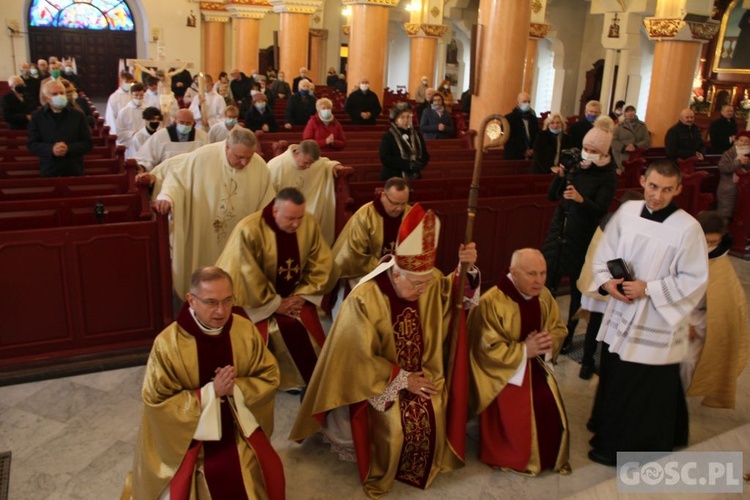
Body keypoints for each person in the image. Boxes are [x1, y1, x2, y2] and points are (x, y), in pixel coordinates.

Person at [289, 204, 478, 498]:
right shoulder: (365, 298)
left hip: (421, 368)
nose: (422, 290)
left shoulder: (425, 282)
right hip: (374, 382)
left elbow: (450, 296)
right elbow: (354, 358)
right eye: (416, 284)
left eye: (426, 282)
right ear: (396, 273)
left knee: (434, 406)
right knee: (396, 425)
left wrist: (463, 269)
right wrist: (401, 378)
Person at [125, 266, 284, 500]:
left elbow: (269, 376)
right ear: (191, 300)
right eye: (211, 302)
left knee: (254, 469)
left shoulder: (244, 331)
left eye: (228, 300)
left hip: (237, 428)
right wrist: (210, 393)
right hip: (187, 437)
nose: (221, 310)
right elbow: (155, 401)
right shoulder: (168, 344)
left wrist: (236, 388)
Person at [588, 160, 709, 466]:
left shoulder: (688, 228)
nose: (658, 195)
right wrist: (608, 282)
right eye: (653, 186)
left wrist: (649, 289)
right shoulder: (627, 213)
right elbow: (605, 253)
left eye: (667, 189)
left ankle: (630, 448)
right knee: (615, 376)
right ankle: (608, 432)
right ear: (642, 181)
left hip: (655, 320)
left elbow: (694, 279)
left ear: (678, 189)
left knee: (643, 388)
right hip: (622, 311)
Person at [215, 188, 333, 391]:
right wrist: (275, 304)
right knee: (282, 326)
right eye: (290, 218)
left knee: (302, 322)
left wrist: (303, 294)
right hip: (257, 303)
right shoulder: (249, 229)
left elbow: (321, 261)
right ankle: (274, 378)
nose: (296, 224)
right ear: (275, 211)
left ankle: (307, 377)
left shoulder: (309, 223)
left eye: (299, 218)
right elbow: (246, 275)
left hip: (295, 296)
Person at [467, 248, 570, 475]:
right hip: (502, 373)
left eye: (543, 273)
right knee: (526, 411)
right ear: (513, 272)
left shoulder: (543, 296)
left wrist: (547, 342)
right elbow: (483, 350)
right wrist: (524, 350)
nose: (539, 281)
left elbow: (559, 328)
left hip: (536, 366)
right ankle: (512, 455)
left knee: (547, 405)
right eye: (532, 274)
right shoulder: (490, 302)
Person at [149, 127, 275, 298]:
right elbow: (177, 180)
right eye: (239, 157)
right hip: (203, 233)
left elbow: (267, 203)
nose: (245, 163)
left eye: (249, 157)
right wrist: (167, 197)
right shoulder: (202, 157)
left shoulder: (259, 166)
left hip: (236, 237)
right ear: (227, 148)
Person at [541, 116, 618, 353]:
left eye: (593, 150)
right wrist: (561, 175)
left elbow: (600, 209)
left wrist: (581, 199)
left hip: (581, 236)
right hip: (559, 232)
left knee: (576, 290)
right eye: (585, 148)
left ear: (603, 153)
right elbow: (552, 196)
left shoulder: (608, 176)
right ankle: (544, 328)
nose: (587, 153)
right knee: (546, 285)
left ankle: (568, 334)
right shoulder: (576, 166)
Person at [681, 211, 749, 408]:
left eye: (714, 241)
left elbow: (725, 307)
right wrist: (682, 321)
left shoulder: (721, 264)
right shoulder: (682, 252)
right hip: (677, 315)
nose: (709, 246)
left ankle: (677, 401)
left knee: (686, 362)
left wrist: (694, 325)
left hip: (700, 319)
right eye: (705, 241)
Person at [575, 190, 644, 380]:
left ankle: (598, 364)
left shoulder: (621, 222)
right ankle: (589, 362)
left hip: (610, 285)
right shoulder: (611, 225)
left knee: (606, 326)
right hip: (606, 285)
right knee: (598, 325)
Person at [330, 177, 412, 314]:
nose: (399, 208)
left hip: (401, 274)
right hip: (368, 273)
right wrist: (386, 268)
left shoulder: (410, 214)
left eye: (403, 203)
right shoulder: (365, 215)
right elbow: (355, 254)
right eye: (395, 203)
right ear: (384, 196)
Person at [267, 140, 344, 246]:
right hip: (284, 216)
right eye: (306, 162)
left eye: (311, 163)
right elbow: (269, 198)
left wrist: (334, 166)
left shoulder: (311, 162)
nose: (309, 166)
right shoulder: (276, 166)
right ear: (297, 153)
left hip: (308, 214)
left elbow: (324, 163)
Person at [28, 80, 92, 177]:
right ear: (46, 98)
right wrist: (51, 149)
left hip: (74, 168)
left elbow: (88, 143)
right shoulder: (37, 116)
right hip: (49, 168)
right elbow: (32, 144)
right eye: (55, 94)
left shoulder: (78, 115)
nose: (60, 96)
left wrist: (68, 148)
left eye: (62, 93)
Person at [135, 109, 209, 171]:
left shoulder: (202, 137)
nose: (184, 125)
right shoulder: (161, 136)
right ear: (175, 120)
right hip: (167, 179)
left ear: (193, 122)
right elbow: (147, 159)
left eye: (188, 123)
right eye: (181, 122)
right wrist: (143, 167)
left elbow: (207, 159)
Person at [379, 102, 430, 180]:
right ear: (395, 120)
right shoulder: (388, 136)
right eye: (402, 117)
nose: (406, 120)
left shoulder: (417, 135)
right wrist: (407, 165)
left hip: (414, 175)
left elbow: (425, 154)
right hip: (394, 176)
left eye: (408, 117)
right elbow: (386, 158)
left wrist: (419, 164)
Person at [716, 131, 750, 218]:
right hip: (729, 188)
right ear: (736, 141)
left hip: (745, 190)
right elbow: (723, 168)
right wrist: (738, 162)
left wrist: (747, 163)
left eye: (746, 141)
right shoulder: (729, 153)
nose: (743, 143)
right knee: (725, 215)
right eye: (741, 140)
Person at [611, 104, 650, 172]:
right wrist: (624, 147)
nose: (630, 113)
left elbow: (646, 140)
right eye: (627, 111)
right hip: (623, 156)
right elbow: (614, 140)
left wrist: (635, 146)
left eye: (632, 110)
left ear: (635, 112)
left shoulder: (642, 125)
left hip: (638, 155)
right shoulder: (619, 126)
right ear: (624, 114)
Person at [115, 83, 147, 159]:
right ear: (131, 95)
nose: (139, 98)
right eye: (136, 95)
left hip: (146, 145)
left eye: (141, 95)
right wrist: (132, 133)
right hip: (130, 145)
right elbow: (119, 133)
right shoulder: (124, 112)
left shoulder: (148, 110)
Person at [504, 92, 539, 160]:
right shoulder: (509, 118)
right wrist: (523, 151)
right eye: (524, 101)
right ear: (518, 103)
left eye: (529, 102)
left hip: (531, 157)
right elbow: (508, 140)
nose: (527, 104)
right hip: (514, 157)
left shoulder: (533, 119)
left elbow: (536, 136)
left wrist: (533, 149)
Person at [105, 71, 135, 136]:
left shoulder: (133, 95)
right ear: (121, 82)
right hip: (120, 129)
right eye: (127, 82)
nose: (129, 84)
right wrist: (116, 132)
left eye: (131, 82)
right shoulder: (114, 97)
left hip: (132, 129)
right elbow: (111, 116)